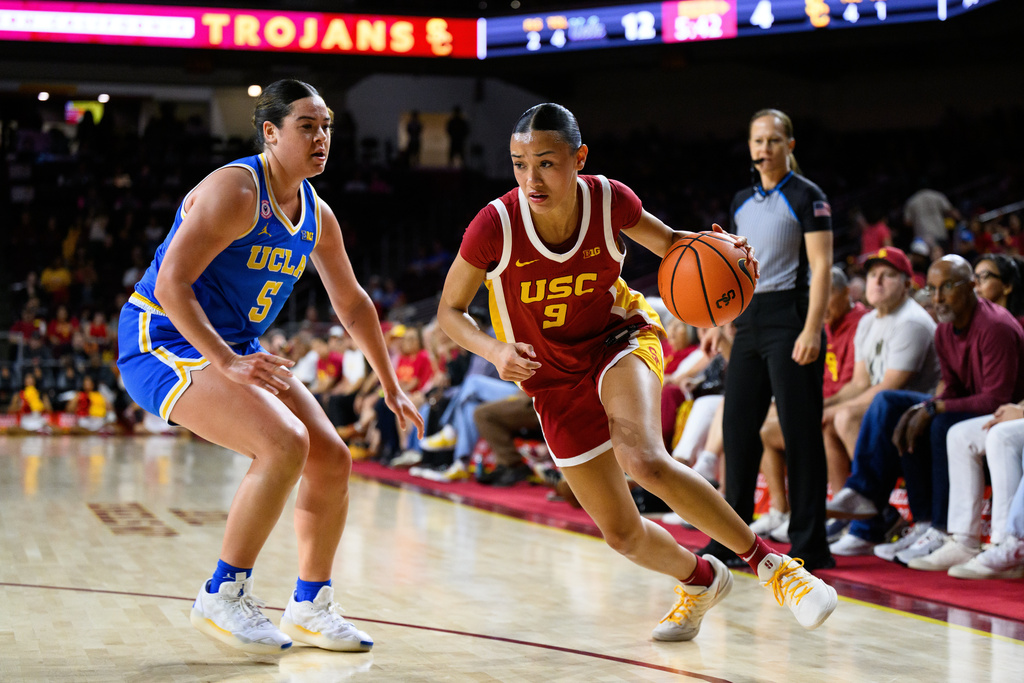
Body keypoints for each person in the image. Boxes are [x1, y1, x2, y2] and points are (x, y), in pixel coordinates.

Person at [436, 102, 837, 642]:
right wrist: (493, 350)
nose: (531, 178)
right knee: (622, 534)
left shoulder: (609, 201)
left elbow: (675, 246)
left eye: (547, 163)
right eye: (519, 163)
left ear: (579, 158)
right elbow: (448, 311)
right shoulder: (495, 225)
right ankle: (700, 579)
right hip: (551, 378)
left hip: (618, 340)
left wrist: (725, 258)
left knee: (644, 459)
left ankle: (777, 569)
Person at [116, 79, 423, 655]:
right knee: (284, 442)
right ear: (271, 132)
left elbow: (352, 303)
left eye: (327, 125)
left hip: (234, 346)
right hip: (160, 336)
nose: (322, 137)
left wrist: (390, 383)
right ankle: (222, 593)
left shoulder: (317, 214)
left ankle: (311, 604)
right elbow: (171, 286)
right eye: (307, 125)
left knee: (332, 456)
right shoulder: (234, 191)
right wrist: (227, 360)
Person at [700, 108, 835, 571]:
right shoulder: (740, 200)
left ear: (789, 146)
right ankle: (731, 540)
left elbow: (820, 269)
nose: (764, 149)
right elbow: (736, 272)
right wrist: (722, 318)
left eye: (773, 141)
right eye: (757, 141)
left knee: (799, 434)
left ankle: (810, 544)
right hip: (749, 319)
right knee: (737, 430)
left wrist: (812, 328)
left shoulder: (808, 196)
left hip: (790, 318)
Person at [827, 255, 1024, 563]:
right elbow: (955, 387)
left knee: (937, 424)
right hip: (971, 405)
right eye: (932, 288)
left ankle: (942, 528)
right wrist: (927, 406)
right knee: (894, 406)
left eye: (946, 287)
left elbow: (996, 398)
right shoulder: (944, 330)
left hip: (1001, 412)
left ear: (972, 286)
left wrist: (937, 408)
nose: (937, 297)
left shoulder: (995, 326)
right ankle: (884, 505)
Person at [753, 266, 869, 542]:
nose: (820, 303)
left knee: (817, 423)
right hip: (826, 402)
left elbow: (856, 384)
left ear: (845, 293)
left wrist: (816, 405)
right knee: (764, 428)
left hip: (849, 405)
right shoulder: (820, 325)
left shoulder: (860, 323)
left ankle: (838, 514)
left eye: (826, 294)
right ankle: (781, 510)